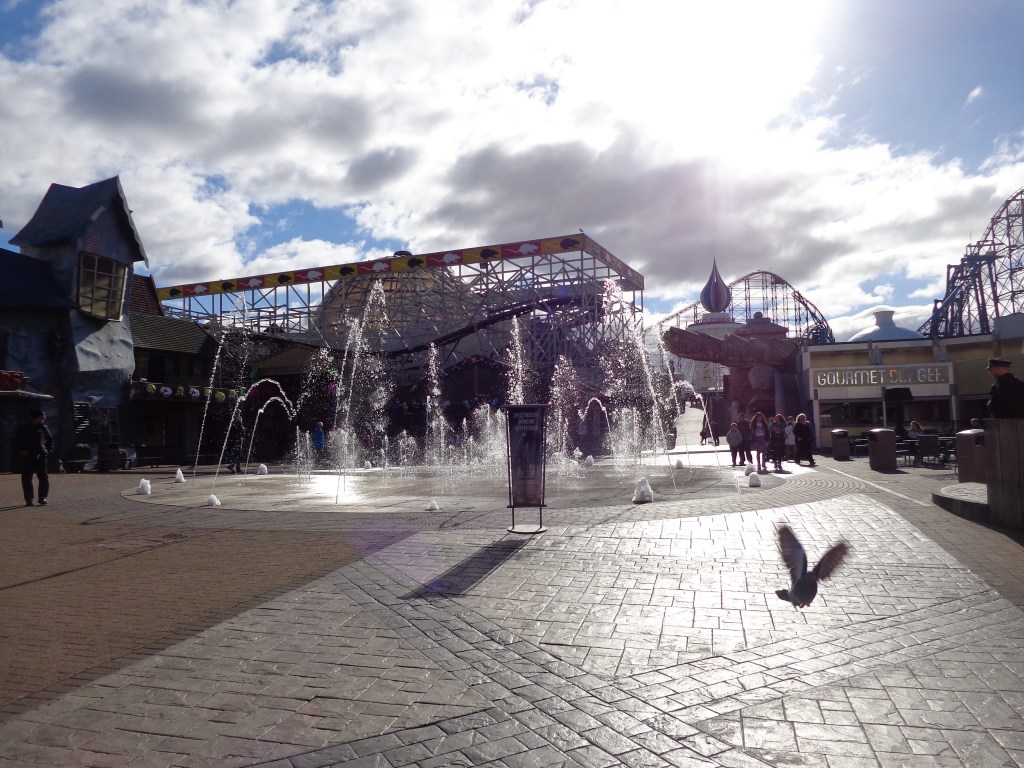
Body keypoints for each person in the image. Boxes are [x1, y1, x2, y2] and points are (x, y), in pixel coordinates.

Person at [14, 408, 53, 506]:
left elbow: (50, 440)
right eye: (41, 417)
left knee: (43, 477)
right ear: (35, 418)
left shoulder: (44, 428)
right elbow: (16, 441)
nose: (44, 418)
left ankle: (42, 497)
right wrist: (20, 450)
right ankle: (29, 499)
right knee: (26, 478)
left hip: (40, 455)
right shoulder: (24, 428)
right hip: (27, 456)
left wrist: (47, 450)